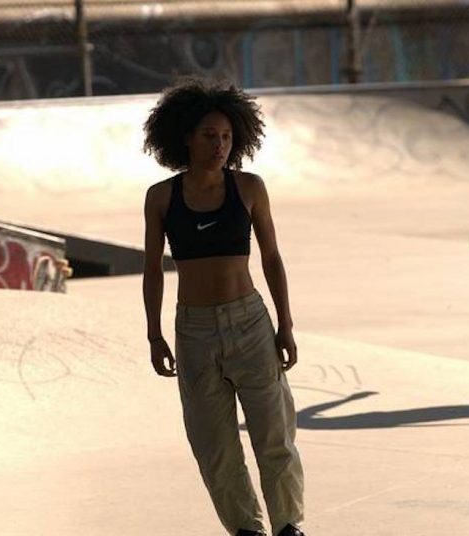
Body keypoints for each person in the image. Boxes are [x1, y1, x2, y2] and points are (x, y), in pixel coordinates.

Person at [142, 78, 305, 536]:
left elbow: (272, 258)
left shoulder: (249, 188)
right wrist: (154, 335)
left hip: (249, 322)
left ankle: (288, 525)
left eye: (228, 137)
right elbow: (152, 270)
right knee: (214, 445)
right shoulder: (161, 197)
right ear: (186, 138)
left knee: (274, 436)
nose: (220, 146)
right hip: (193, 331)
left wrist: (285, 325)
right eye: (210, 136)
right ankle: (245, 529)